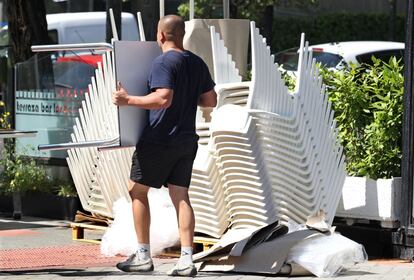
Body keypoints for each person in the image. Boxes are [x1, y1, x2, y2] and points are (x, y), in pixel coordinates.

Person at [112, 14, 217, 277]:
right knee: (181, 196)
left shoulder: (162, 62)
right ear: (181, 35)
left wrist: (127, 100)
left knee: (136, 190)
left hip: (159, 138)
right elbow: (210, 100)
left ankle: (143, 256)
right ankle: (186, 259)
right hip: (186, 139)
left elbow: (162, 99)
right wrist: (188, 94)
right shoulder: (196, 62)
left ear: (160, 35)